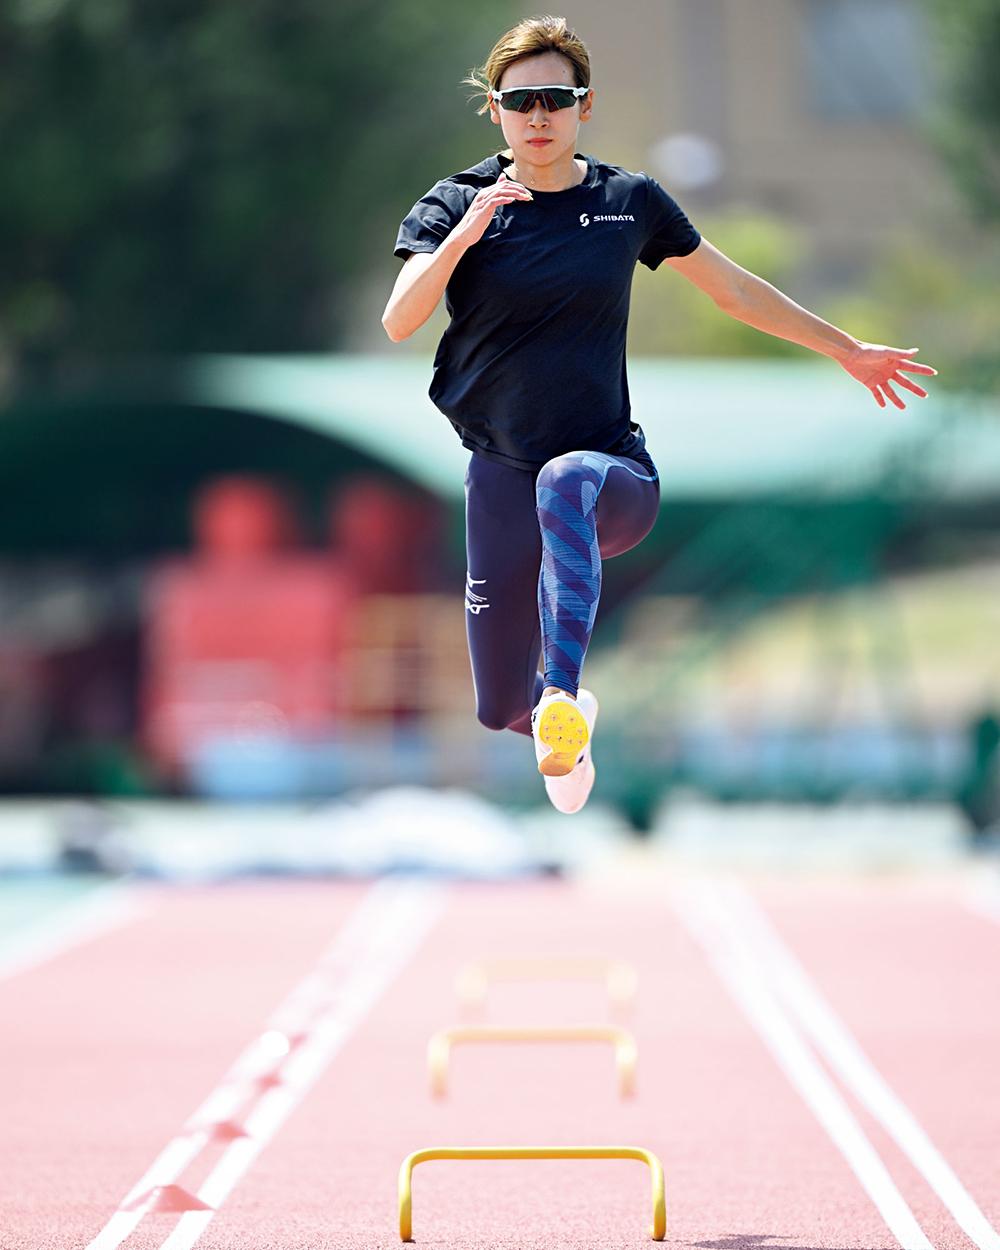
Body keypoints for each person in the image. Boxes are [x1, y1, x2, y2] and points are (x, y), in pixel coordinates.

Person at [382, 15, 936, 816]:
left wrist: (845, 348)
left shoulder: (627, 202)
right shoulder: (454, 203)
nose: (539, 116)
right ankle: (556, 718)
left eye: (556, 99)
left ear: (584, 106)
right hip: (498, 470)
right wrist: (468, 233)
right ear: (495, 110)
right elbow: (401, 319)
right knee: (499, 707)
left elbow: (734, 290)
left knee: (565, 482)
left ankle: (565, 694)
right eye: (520, 101)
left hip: (610, 475)